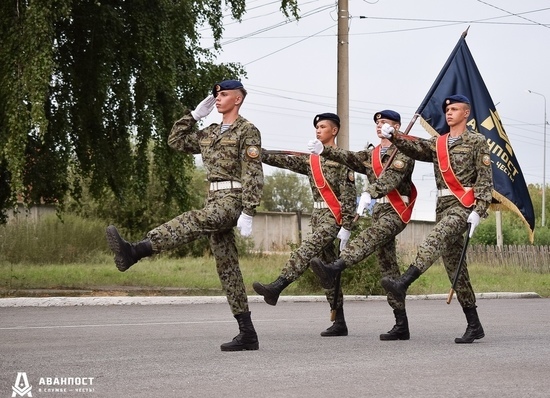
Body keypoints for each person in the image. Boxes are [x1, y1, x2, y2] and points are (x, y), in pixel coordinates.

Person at [105, 80, 264, 352]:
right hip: (214, 197)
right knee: (227, 266)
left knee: (195, 219)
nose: (217, 99)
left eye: (223, 95)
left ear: (237, 99)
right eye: (216, 95)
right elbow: (175, 141)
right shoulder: (210, 132)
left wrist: (249, 209)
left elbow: (253, 171)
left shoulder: (247, 130)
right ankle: (247, 333)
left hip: (233, 198)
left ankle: (138, 249)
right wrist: (193, 116)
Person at [379, 94, 493, 344]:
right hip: (442, 206)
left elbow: (484, 179)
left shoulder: (477, 142)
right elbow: (415, 147)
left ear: (467, 113)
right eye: (447, 109)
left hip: (463, 206)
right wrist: (394, 136)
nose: (449, 112)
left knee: (435, 238)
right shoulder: (438, 143)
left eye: (454, 109)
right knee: (455, 268)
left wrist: (479, 210)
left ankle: (403, 282)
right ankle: (474, 324)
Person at [307, 110, 417, 340]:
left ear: (397, 126)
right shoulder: (371, 154)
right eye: (377, 122)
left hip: (396, 211)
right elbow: (349, 157)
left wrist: (371, 191)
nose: (380, 125)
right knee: (388, 267)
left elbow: (392, 179)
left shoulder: (404, 151)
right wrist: (325, 150)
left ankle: (335, 267)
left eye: (385, 122)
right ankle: (401, 324)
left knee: (369, 236)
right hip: (379, 210)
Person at [253, 113, 356, 337]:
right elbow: (284, 160)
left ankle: (277, 286)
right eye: (316, 127)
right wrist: (256, 153)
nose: (318, 130)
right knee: (327, 271)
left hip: (333, 217)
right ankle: (339, 321)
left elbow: (349, 197)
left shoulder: (341, 160)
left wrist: (347, 226)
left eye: (322, 127)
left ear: (334, 131)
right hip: (317, 216)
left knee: (307, 250)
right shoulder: (311, 160)